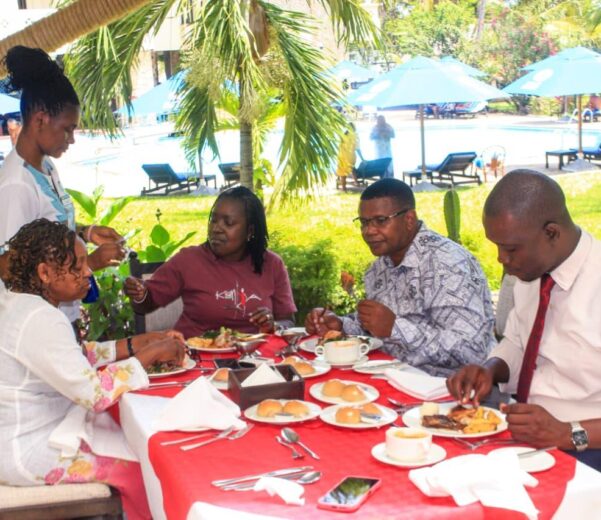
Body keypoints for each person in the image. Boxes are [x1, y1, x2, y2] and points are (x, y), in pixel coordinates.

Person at [0, 219, 186, 519]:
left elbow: (72, 356)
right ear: (45, 273)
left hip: (23, 436)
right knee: (142, 469)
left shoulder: (19, 304)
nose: (88, 272)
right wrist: (150, 353)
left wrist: (133, 344)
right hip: (27, 450)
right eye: (78, 266)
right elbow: (96, 394)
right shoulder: (39, 318)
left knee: (127, 438)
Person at [447, 170, 601, 470]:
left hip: (587, 450)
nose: (501, 259)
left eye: (511, 248)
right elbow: (519, 342)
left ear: (551, 233)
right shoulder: (531, 272)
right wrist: (490, 370)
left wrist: (566, 433)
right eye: (497, 246)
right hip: (523, 433)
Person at [305, 178, 495, 377]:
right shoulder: (379, 267)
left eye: (380, 220)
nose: (368, 231)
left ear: (409, 219)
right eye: (364, 222)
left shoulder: (448, 265)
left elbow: (472, 351)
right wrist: (341, 325)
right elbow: (375, 332)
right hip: (388, 377)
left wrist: (394, 328)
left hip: (446, 387)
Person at [0, 46, 125, 324]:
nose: (71, 139)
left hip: (58, 318)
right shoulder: (15, 185)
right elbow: (8, 267)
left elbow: (41, 233)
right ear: (40, 120)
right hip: (35, 325)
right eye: (67, 129)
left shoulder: (45, 167)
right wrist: (87, 265)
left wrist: (85, 232)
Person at [124, 186, 297, 337]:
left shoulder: (272, 264)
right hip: (194, 356)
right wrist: (140, 294)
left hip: (254, 358)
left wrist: (274, 325)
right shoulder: (189, 260)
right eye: (213, 220)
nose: (216, 228)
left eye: (228, 223)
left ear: (250, 231)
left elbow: (288, 322)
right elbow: (145, 305)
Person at [336, 123, 359, 192]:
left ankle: (344, 188)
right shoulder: (355, 135)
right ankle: (356, 182)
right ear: (354, 128)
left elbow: (339, 145)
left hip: (342, 156)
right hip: (350, 156)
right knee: (352, 168)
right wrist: (362, 158)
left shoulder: (343, 135)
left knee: (343, 173)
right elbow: (357, 148)